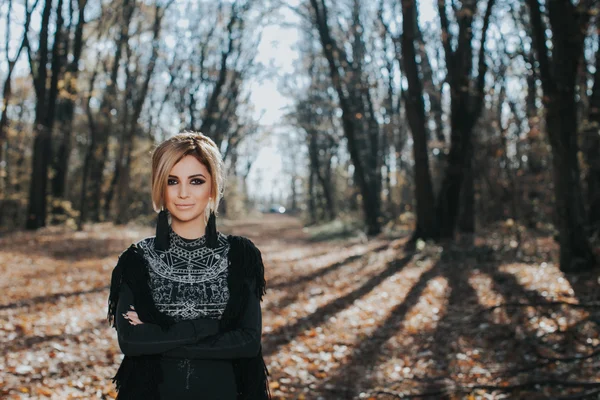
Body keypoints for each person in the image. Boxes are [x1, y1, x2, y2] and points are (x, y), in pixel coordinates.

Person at [107, 132, 270, 400]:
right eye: (173, 181)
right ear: (160, 186)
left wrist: (159, 337)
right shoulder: (136, 259)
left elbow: (248, 343)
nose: (183, 193)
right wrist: (213, 326)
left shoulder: (240, 256)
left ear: (213, 187)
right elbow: (132, 342)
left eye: (196, 181)